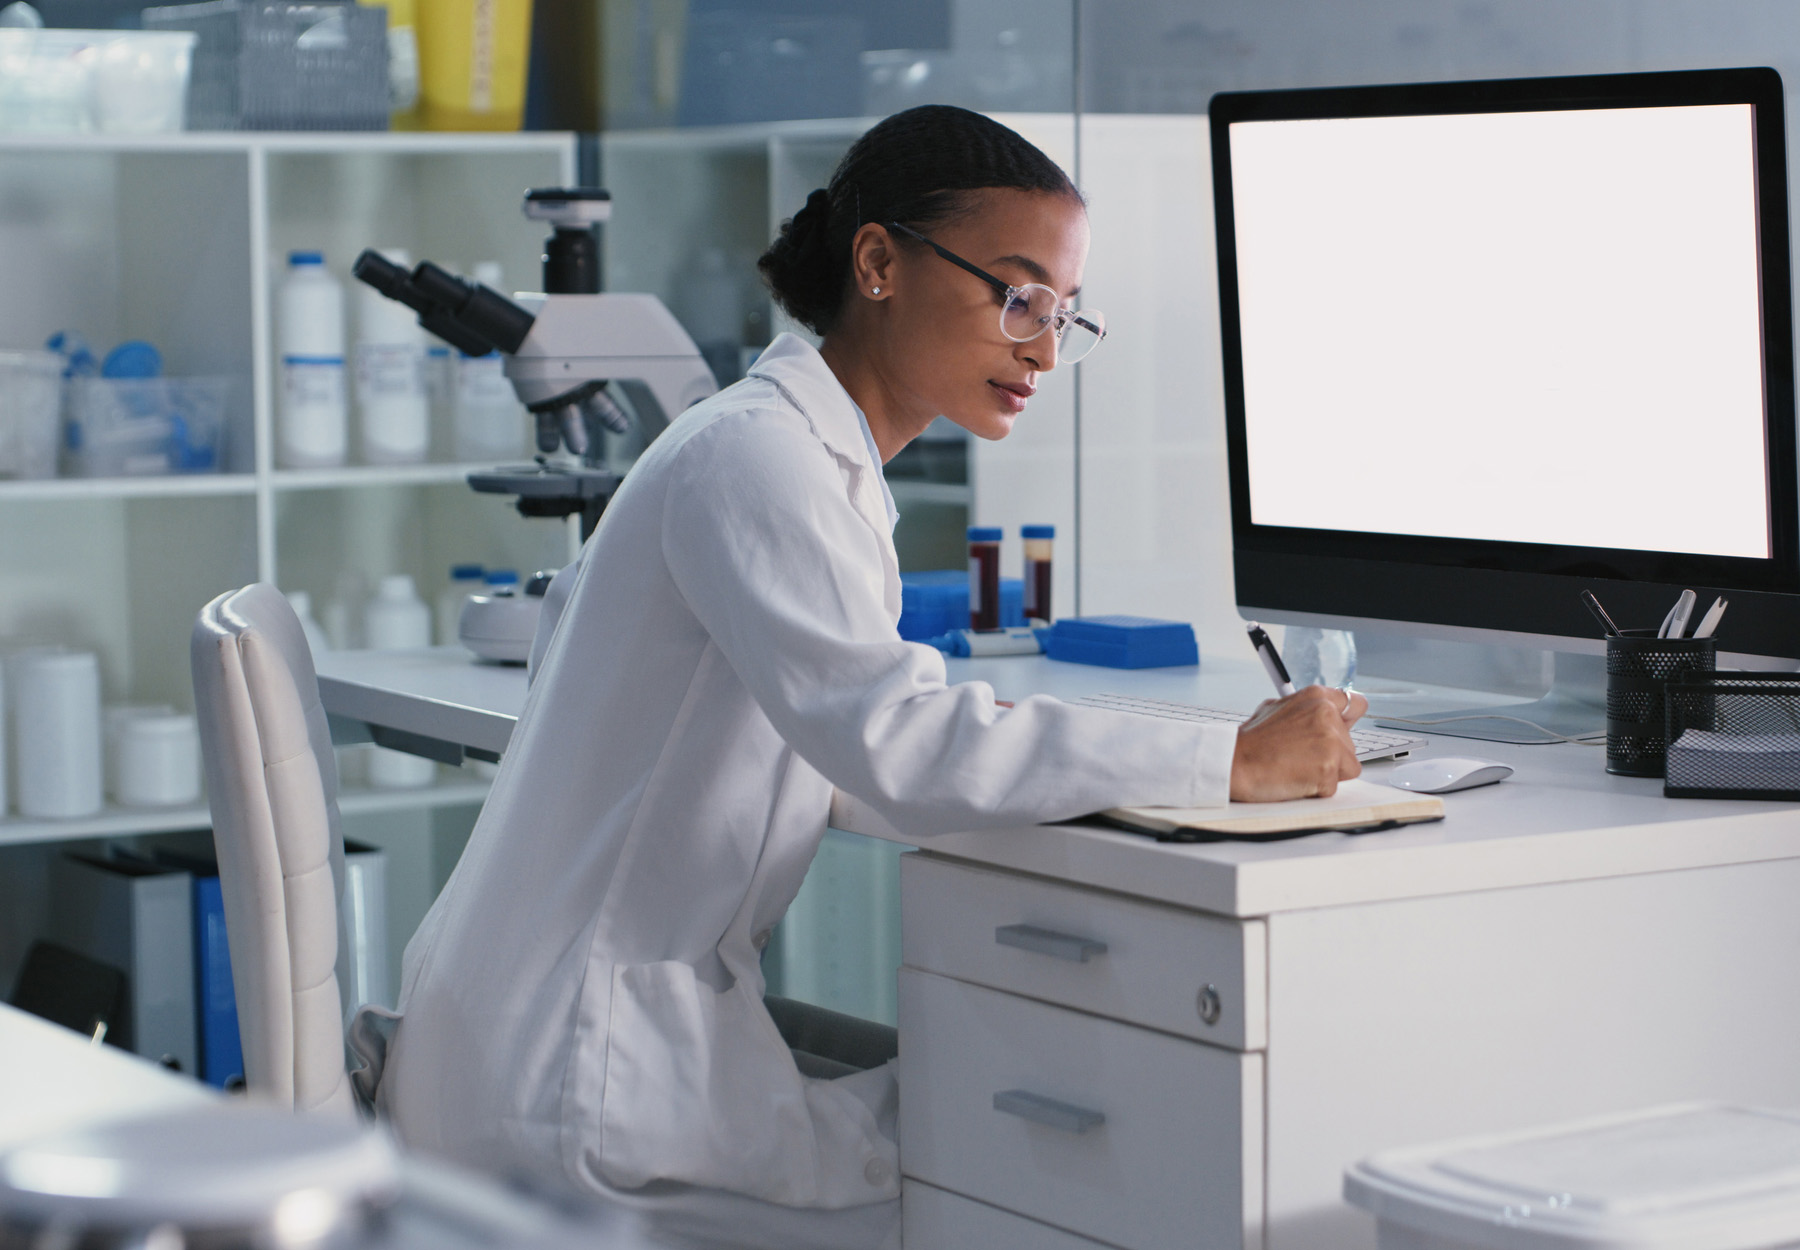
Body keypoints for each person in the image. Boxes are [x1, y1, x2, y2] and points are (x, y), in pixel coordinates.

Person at [363, 105, 1366, 1249]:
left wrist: (1111, 755)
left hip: (526, 1044)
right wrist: (1225, 757)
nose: (1043, 346)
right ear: (879, 261)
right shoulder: (759, 456)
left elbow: (850, 752)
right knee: (1009, 1166)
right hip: (572, 1089)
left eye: (1066, 314)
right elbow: (895, 739)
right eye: (1019, 295)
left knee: (986, 1120)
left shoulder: (783, 453)